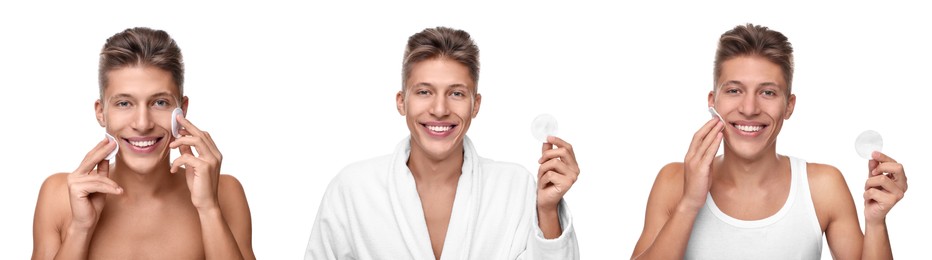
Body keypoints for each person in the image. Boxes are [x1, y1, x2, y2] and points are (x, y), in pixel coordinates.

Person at [630, 23, 909, 259]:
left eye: (767, 93)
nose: (749, 108)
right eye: (735, 90)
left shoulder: (823, 187)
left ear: (789, 106)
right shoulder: (672, 182)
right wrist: (690, 202)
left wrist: (876, 224)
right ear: (713, 101)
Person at [305, 27, 580, 259]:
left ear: (476, 105)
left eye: (457, 93)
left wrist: (547, 210)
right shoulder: (353, 189)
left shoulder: (515, 186)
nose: (439, 109)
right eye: (424, 91)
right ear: (402, 101)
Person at [32, 27, 255, 259]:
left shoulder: (225, 193)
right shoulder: (59, 195)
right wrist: (79, 229)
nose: (142, 123)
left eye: (159, 102)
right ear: (101, 113)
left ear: (183, 109)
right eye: (124, 104)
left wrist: (209, 209)